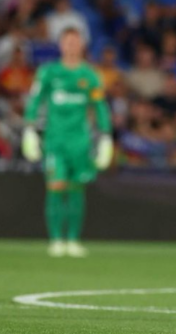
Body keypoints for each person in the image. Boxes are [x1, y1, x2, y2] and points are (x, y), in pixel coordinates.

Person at [22, 27, 113, 257]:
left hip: (80, 142)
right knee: (55, 187)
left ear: (82, 44)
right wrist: (30, 130)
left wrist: (105, 136)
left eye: (75, 41)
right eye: (67, 41)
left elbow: (100, 107)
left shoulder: (90, 75)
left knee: (76, 190)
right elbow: (35, 100)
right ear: (61, 44)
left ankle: (73, 240)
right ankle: (55, 240)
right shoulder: (48, 72)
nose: (71, 45)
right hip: (55, 140)